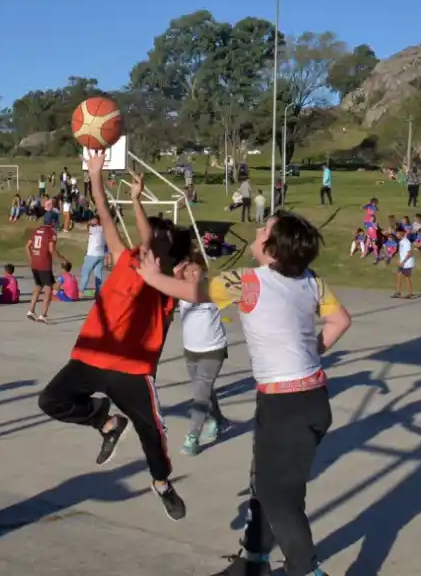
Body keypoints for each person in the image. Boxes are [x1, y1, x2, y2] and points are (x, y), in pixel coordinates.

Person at [136, 210, 352, 576]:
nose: (257, 229)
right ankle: (254, 560)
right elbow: (340, 320)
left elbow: (195, 292)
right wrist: (308, 354)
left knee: (276, 495)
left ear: (273, 246)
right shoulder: (311, 280)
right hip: (311, 399)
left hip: (285, 405)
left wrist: (152, 277)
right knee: (272, 485)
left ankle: (306, 570)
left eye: (264, 228)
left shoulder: (248, 281)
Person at [37, 154, 195, 521]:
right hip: (91, 356)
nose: (153, 239)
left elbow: (148, 238)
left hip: (131, 369)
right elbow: (106, 216)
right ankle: (106, 422)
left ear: (167, 248)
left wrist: (138, 201)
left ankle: (162, 484)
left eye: (161, 237)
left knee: (152, 434)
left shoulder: (167, 283)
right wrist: (95, 177)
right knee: (51, 400)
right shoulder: (125, 258)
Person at [178, 252, 230, 456]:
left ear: (203, 269)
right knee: (205, 390)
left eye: (195, 269)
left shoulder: (212, 287)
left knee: (200, 394)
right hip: (191, 350)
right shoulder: (180, 289)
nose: (191, 273)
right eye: (186, 270)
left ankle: (192, 437)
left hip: (213, 349)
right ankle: (219, 420)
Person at [25, 215, 65, 322]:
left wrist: (31, 258)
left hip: (35, 262)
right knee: (48, 289)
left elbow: (27, 246)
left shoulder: (36, 230)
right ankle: (43, 315)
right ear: (52, 221)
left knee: (38, 286)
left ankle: (31, 310)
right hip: (44, 263)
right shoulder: (50, 232)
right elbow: (52, 250)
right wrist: (63, 259)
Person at [79, 215, 109, 296]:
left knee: (85, 273)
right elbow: (106, 245)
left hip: (92, 255)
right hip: (101, 255)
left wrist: (89, 222)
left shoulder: (94, 229)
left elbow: (85, 227)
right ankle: (98, 292)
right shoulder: (104, 229)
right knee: (98, 274)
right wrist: (107, 256)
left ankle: (81, 291)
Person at [393, 224, 416, 299]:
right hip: (402, 262)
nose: (397, 235)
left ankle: (410, 293)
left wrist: (403, 261)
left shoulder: (406, 242)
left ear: (402, 233)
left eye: (398, 233)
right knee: (399, 275)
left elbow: (409, 253)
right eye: (396, 233)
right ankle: (398, 292)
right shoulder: (401, 242)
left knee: (407, 277)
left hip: (407, 263)